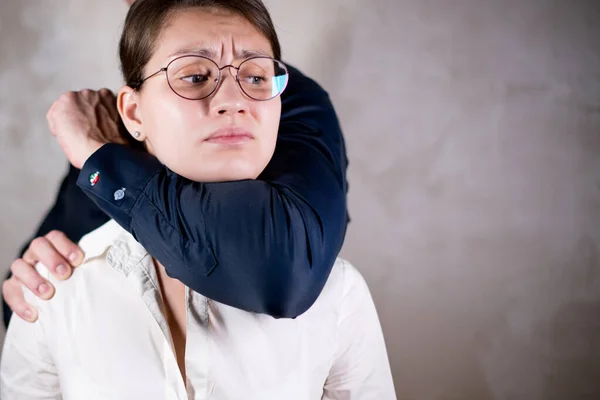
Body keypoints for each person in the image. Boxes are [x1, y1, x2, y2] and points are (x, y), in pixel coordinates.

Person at [1, 1, 396, 397]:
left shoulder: (340, 295)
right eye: (193, 77)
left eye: (256, 78)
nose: (233, 99)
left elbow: (284, 267)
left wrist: (94, 151)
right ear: (133, 114)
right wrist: (34, 287)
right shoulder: (108, 148)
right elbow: (32, 304)